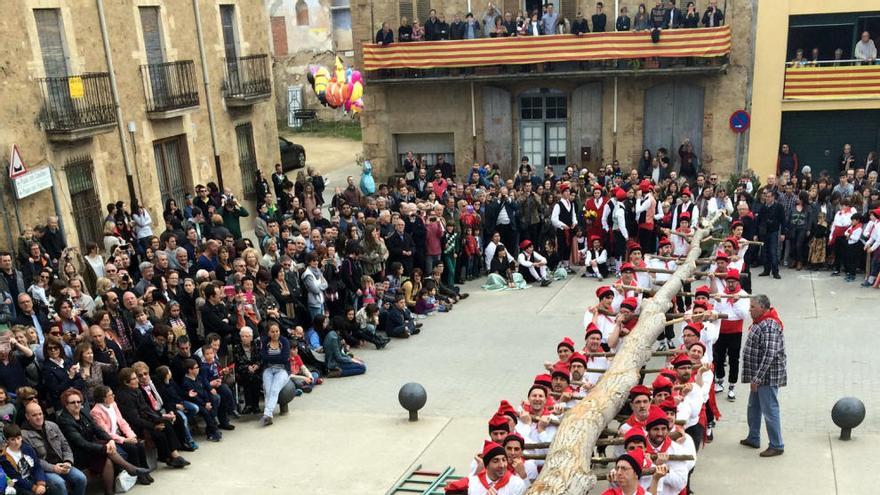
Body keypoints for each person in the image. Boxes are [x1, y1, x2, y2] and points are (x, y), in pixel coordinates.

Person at [56, 388, 150, 495]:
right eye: (73, 402)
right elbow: (81, 443)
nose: (77, 404)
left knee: (107, 459)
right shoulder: (64, 420)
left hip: (91, 448)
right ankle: (131, 469)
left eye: (79, 402)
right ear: (66, 404)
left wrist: (110, 440)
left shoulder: (83, 413)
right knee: (107, 452)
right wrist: (104, 448)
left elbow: (98, 430)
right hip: (78, 454)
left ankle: (110, 491)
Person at [740, 295, 786, 457]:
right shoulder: (762, 322)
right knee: (754, 407)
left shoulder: (770, 326)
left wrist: (757, 378)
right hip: (759, 376)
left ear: (762, 308)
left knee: (769, 409)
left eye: (752, 307)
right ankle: (753, 437)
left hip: (767, 376)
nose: (750, 310)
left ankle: (777, 444)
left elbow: (769, 354)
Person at [21, 401, 89, 495]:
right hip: (43, 470)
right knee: (59, 484)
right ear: (27, 417)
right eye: (34, 415)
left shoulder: (52, 425)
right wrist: (53, 468)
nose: (39, 417)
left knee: (81, 478)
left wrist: (68, 461)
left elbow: (65, 445)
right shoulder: (24, 435)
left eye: (40, 414)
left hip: (62, 463)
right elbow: (33, 460)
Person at [0, 423, 48, 495]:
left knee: (55, 484)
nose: (17, 442)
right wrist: (34, 488)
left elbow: (37, 466)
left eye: (18, 438)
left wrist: (41, 483)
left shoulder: (27, 448)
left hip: (34, 477)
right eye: (12, 439)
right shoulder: (4, 458)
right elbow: (15, 478)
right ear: (7, 440)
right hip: (21, 484)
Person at [260, 322, 291, 426]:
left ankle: (267, 414)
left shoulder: (284, 341)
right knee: (268, 390)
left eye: (277, 331)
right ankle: (268, 415)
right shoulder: (265, 342)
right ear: (268, 333)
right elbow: (263, 357)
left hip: (282, 370)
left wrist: (271, 358)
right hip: (268, 369)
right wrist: (276, 358)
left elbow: (284, 358)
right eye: (272, 331)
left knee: (274, 390)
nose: (275, 334)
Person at [755, 188, 785, 279]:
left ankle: (775, 272)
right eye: (766, 197)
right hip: (764, 233)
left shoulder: (779, 207)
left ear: (773, 197)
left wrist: (783, 233)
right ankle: (766, 270)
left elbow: (783, 221)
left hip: (773, 232)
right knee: (765, 252)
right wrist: (756, 234)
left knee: (773, 252)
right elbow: (758, 221)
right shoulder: (763, 207)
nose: (767, 198)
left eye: (769, 197)